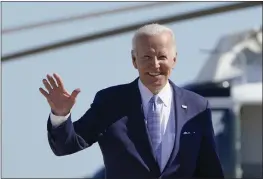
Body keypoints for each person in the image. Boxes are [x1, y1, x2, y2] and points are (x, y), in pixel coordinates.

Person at [40, 23, 224, 179]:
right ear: (134, 60)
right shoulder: (110, 102)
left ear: (174, 59)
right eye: (146, 57)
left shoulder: (197, 107)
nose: (155, 64)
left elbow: (210, 170)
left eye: (162, 57)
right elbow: (67, 145)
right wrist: (60, 115)